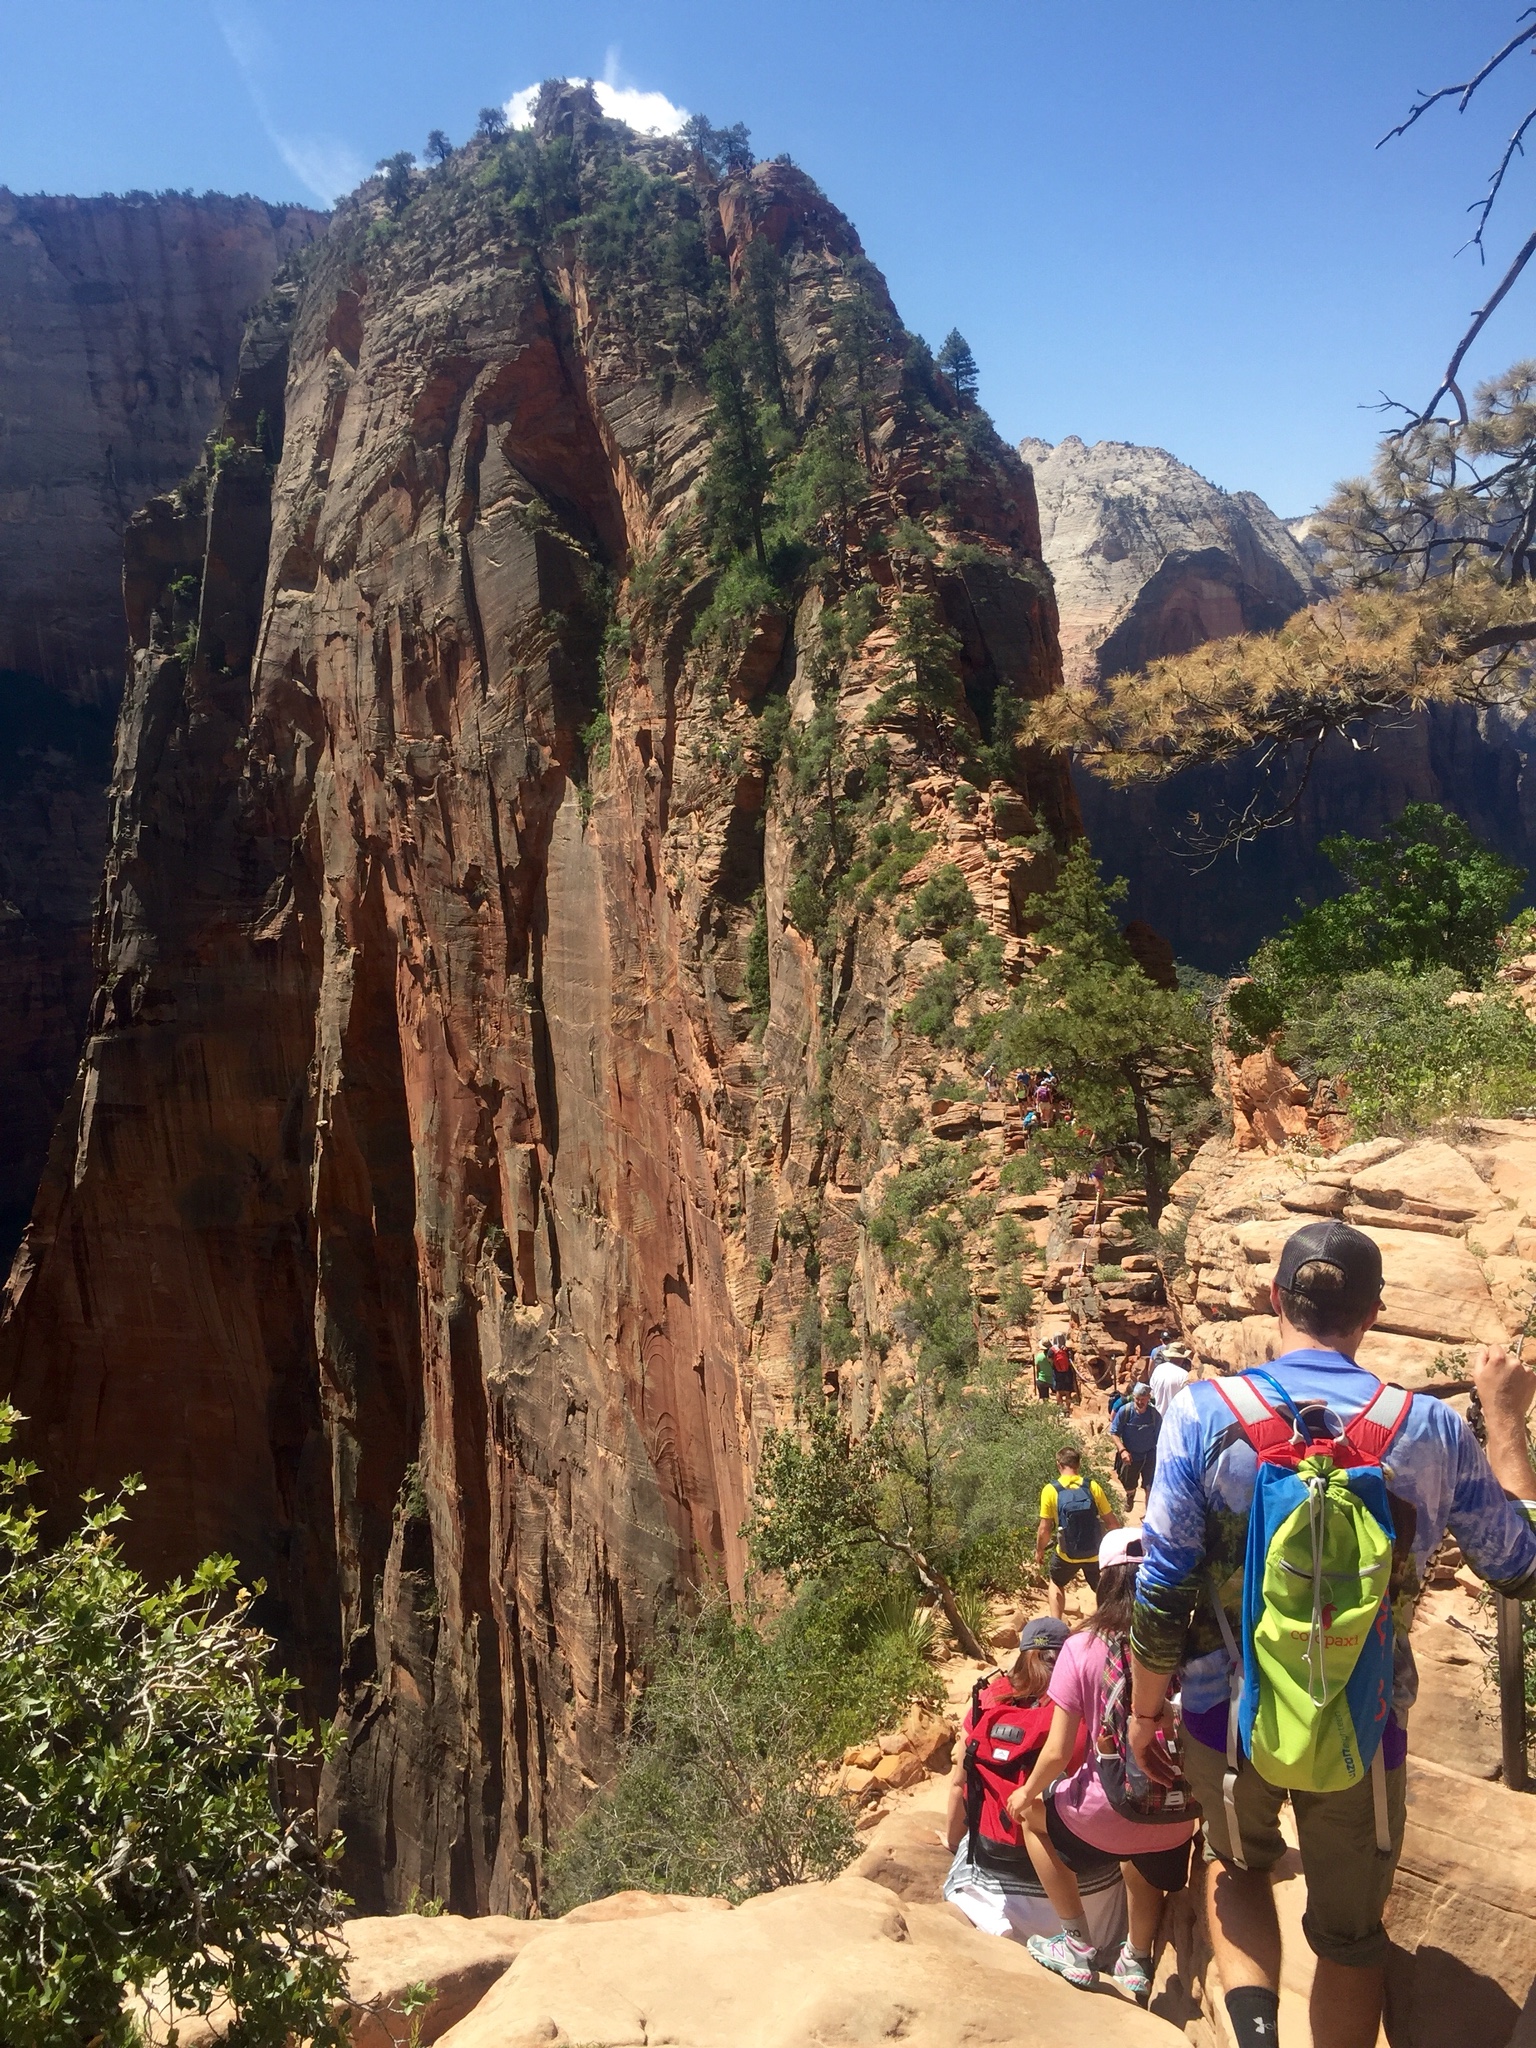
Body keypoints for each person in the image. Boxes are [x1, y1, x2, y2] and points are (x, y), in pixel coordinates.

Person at [1128, 1220, 1536, 2048]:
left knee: (1236, 1867)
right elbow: (1520, 1564)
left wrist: (1141, 1713)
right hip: (1367, 1722)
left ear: (1275, 1299)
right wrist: (1503, 1418)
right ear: (1374, 1313)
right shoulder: (1429, 1429)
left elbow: (1163, 1583)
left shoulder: (1205, 1413)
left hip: (1225, 1714)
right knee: (1351, 1936)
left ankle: (1255, 2037)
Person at [1011, 1528, 1198, 2002]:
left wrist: (1026, 1794)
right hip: (1177, 1821)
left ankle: (1075, 1942)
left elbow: (1056, 1753)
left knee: (1034, 1820)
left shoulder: (1080, 1647)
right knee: (1143, 1829)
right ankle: (1136, 1958)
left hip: (1103, 1818)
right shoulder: (1186, 1642)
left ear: (1103, 1580)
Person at [943, 1617, 1128, 1952]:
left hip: (994, 1901)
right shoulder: (1090, 1700)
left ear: (1022, 1654)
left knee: (961, 1857)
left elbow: (959, 1785)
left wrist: (953, 1843)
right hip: (1089, 1895)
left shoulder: (988, 1701)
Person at [1036, 1448, 1120, 1619]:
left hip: (1067, 1555)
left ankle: (1056, 1625)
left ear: (1058, 1464)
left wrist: (1040, 1550)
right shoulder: (1092, 1486)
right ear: (1079, 1464)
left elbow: (1044, 1529)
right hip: (1094, 1554)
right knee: (1103, 1590)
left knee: (1056, 1582)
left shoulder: (1050, 1490)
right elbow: (1112, 1523)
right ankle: (1109, 1624)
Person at [1110, 1382, 1161, 1506]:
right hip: (1130, 1455)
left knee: (1149, 1485)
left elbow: (1161, 1436)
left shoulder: (1154, 1415)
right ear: (1133, 1397)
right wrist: (1122, 1451)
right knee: (1129, 1482)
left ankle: (1148, 1514)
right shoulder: (1125, 1411)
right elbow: (1114, 1433)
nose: (1140, 1402)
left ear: (1148, 1398)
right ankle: (1130, 1494)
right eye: (1137, 1399)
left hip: (1149, 1455)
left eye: (1143, 1399)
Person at [1148, 1342, 1191, 1417]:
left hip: (1158, 1417)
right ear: (1181, 1358)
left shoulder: (1158, 1369)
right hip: (1175, 1418)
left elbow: (1152, 1392)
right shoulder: (1184, 1375)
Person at [1049, 1334, 1078, 1412]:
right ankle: (1068, 1409)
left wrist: (1054, 1365)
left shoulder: (1052, 1350)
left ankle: (1061, 1409)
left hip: (1057, 1372)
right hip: (1067, 1372)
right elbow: (1070, 1359)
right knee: (1067, 1392)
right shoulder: (1066, 1349)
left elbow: (1049, 1359)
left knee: (1058, 1391)